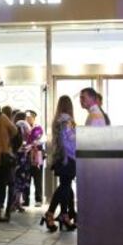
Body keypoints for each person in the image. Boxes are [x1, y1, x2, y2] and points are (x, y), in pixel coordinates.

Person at [42, 95, 77, 232]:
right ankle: (51, 213)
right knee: (64, 187)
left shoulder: (58, 120)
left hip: (61, 157)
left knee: (65, 187)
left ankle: (64, 215)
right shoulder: (66, 120)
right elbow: (69, 140)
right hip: (67, 158)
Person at [11, 110, 32, 213]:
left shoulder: (14, 125)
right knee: (21, 180)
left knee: (15, 180)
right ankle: (17, 202)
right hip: (23, 156)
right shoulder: (24, 124)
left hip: (16, 156)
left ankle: (13, 203)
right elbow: (30, 138)